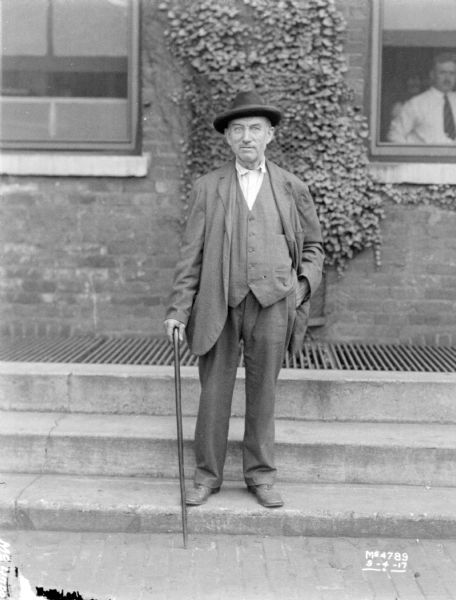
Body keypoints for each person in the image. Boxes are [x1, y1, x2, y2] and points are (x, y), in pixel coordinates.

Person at [164, 90, 324, 508]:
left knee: (263, 393)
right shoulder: (207, 187)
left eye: (255, 128)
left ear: (269, 135)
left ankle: (261, 476)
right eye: (238, 130)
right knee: (213, 394)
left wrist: (301, 289)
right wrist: (179, 309)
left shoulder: (292, 187)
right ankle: (206, 476)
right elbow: (190, 255)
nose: (246, 137)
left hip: (273, 303)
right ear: (228, 139)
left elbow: (314, 248)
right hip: (219, 302)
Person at [388, 52, 456, 144]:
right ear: (432, 74)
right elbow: (395, 135)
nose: (447, 78)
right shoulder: (416, 103)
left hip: (455, 157)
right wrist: (413, 155)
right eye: (442, 72)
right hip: (425, 157)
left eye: (452, 73)